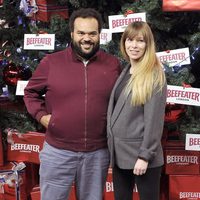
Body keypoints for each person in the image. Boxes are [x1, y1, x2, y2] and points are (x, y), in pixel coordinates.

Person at [23, 8, 121, 200]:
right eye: (81, 33)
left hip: (97, 153)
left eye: (92, 33)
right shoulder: (52, 62)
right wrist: (43, 117)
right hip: (58, 152)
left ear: (99, 35)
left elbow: (122, 101)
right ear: (72, 34)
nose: (87, 38)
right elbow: (30, 92)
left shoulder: (112, 64)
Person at [107, 21, 167, 200]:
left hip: (142, 156)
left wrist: (145, 156)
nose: (134, 45)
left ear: (147, 45)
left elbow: (154, 121)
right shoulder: (126, 70)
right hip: (120, 155)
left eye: (140, 41)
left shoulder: (154, 75)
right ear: (124, 42)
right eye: (130, 40)